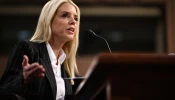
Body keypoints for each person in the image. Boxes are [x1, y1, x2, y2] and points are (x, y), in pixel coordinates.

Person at [0, 0, 82, 100]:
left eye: (76, 18)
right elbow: (3, 91)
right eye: (65, 15)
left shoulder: (67, 66)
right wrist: (23, 79)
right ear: (48, 20)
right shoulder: (28, 49)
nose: (73, 21)